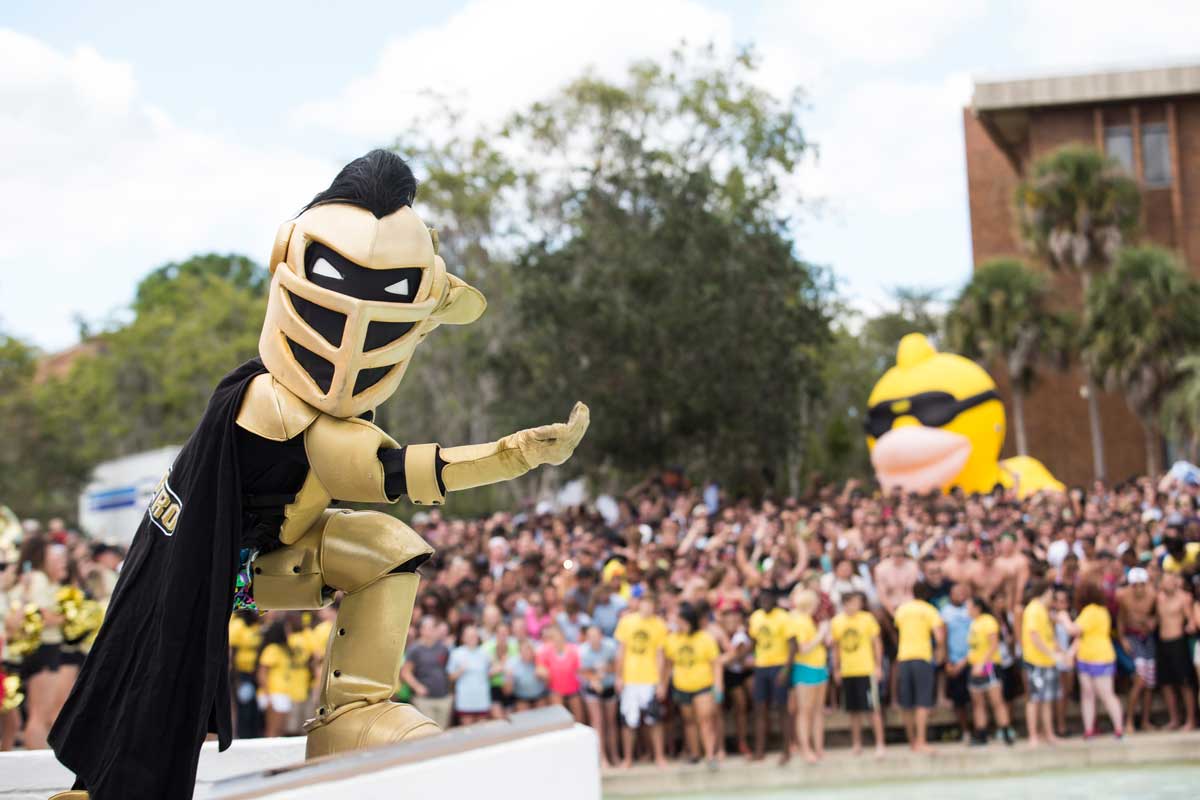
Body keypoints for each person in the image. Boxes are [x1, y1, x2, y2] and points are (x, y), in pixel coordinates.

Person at [48, 150, 590, 800]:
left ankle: (350, 713)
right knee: (388, 547)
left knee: (385, 548)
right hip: (237, 581)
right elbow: (392, 472)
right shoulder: (279, 411)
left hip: (242, 566)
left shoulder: (252, 389)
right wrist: (512, 456)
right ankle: (352, 712)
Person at [17, 538, 68, 750]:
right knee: (39, 712)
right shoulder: (38, 578)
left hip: (47, 647)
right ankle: (35, 762)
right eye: (50, 554)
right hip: (44, 647)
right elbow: (40, 615)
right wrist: (66, 618)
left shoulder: (42, 579)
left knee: (43, 712)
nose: (54, 558)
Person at [1059, 582, 1124, 739]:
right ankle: (1090, 729)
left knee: (1105, 694)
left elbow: (1073, 630)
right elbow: (1081, 636)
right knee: (1088, 694)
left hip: (1099, 657)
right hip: (1086, 656)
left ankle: (1118, 728)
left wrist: (1063, 618)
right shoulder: (1100, 611)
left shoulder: (1091, 611)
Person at [663, 603, 721, 768]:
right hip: (682, 685)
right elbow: (668, 664)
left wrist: (718, 686)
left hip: (702, 684)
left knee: (705, 720)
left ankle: (710, 755)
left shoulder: (705, 638)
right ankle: (695, 753)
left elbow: (715, 663)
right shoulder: (672, 639)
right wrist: (663, 685)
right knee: (688, 721)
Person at [614, 592, 668, 768]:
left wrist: (661, 682)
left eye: (651, 604)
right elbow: (621, 651)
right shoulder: (627, 622)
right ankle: (627, 758)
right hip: (630, 678)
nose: (648, 607)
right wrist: (619, 676)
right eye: (645, 603)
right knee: (628, 721)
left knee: (654, 719)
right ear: (639, 604)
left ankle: (659, 757)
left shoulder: (660, 625)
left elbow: (661, 656)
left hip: (650, 677)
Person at [830, 591, 885, 758]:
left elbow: (877, 643)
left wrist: (878, 666)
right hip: (848, 671)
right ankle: (856, 743)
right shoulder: (837, 622)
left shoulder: (867, 619)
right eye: (854, 602)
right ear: (846, 603)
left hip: (866, 669)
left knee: (873, 709)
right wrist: (836, 668)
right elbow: (836, 648)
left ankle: (880, 744)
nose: (857, 605)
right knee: (853, 711)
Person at [892, 582, 944, 754]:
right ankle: (922, 740)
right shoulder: (929, 610)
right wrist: (940, 652)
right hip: (922, 656)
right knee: (922, 701)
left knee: (907, 702)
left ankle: (912, 741)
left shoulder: (903, 609)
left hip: (904, 656)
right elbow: (939, 635)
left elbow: (898, 628)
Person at [748, 589, 793, 763]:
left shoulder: (783, 617)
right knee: (760, 709)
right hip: (761, 666)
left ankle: (786, 750)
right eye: (761, 599)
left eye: (767, 599)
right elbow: (754, 641)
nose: (764, 602)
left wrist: (785, 670)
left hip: (779, 666)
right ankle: (759, 751)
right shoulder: (756, 617)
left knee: (782, 709)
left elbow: (792, 645)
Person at [964, 596, 1014, 745]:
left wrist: (982, 664)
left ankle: (1005, 730)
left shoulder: (988, 621)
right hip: (975, 665)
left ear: (977, 607)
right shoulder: (974, 623)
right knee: (977, 701)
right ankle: (981, 732)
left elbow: (993, 645)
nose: (967, 610)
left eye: (969, 606)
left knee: (996, 700)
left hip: (988, 665)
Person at [787, 588, 829, 763]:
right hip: (805, 668)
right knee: (805, 711)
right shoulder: (798, 620)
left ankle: (819, 747)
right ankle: (805, 749)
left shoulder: (808, 619)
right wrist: (821, 633)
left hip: (819, 666)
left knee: (818, 711)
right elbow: (803, 648)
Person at [1115, 567, 1157, 732]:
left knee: (1149, 682)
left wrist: (1153, 621)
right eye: (1135, 585)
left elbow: (1156, 614)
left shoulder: (1153, 595)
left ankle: (1145, 720)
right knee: (1139, 680)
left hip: (1147, 638)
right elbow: (1120, 619)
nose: (1138, 588)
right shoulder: (1123, 597)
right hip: (1132, 637)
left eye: (1141, 584)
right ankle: (1130, 720)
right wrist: (1123, 638)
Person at [1020, 578, 1061, 747]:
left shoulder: (1042, 610)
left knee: (1047, 699)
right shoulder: (1034, 610)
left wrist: (1057, 652)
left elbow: (1047, 635)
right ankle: (1033, 735)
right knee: (1034, 699)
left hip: (1046, 661)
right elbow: (1034, 636)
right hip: (1035, 661)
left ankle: (1048, 733)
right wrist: (1052, 653)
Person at [1155, 571, 1197, 729]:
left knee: (1185, 683)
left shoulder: (1184, 598)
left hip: (1178, 643)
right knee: (1166, 683)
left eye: (1170, 581)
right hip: (1163, 643)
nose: (1168, 584)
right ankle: (1174, 719)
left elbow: (1191, 620)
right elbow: (1157, 619)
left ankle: (1190, 720)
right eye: (1165, 581)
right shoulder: (1159, 598)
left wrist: (1190, 626)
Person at [401, 616, 452, 731]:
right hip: (424, 700)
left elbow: (446, 670)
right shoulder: (415, 649)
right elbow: (405, 672)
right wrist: (417, 686)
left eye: (433, 627)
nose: (431, 630)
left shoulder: (443, 648)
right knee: (428, 731)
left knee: (442, 731)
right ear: (421, 630)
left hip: (443, 697)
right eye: (427, 628)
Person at [579, 625, 619, 767]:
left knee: (611, 723)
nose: (594, 639)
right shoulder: (583, 651)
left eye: (596, 636)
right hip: (593, 689)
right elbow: (583, 672)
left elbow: (616, 666)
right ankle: (602, 757)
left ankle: (614, 755)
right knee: (598, 722)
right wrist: (595, 679)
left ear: (601, 636)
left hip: (608, 686)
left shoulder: (610, 647)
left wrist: (605, 670)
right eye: (591, 637)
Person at [940, 582, 973, 738]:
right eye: (957, 593)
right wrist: (947, 661)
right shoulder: (945, 612)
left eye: (963, 592)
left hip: (979, 661)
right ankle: (966, 731)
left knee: (986, 692)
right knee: (959, 699)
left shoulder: (972, 608)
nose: (960, 595)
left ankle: (984, 729)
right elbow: (943, 638)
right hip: (955, 660)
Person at [448, 625, 494, 726]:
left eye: (474, 636)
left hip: (482, 697)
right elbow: (450, 677)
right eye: (469, 636)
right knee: (467, 730)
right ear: (463, 638)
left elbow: (490, 671)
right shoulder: (456, 653)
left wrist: (493, 672)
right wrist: (460, 671)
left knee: (482, 730)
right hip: (465, 699)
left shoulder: (485, 653)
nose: (472, 638)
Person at [228, 610, 264, 739]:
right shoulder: (238, 625)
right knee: (244, 705)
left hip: (253, 673)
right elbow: (233, 651)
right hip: (241, 674)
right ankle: (242, 735)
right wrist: (235, 676)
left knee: (253, 706)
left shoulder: (256, 625)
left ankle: (253, 734)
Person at [536, 624, 583, 722]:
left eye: (555, 636)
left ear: (562, 636)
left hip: (573, 690)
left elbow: (581, 668)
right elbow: (540, 668)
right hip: (556, 691)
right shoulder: (545, 651)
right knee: (559, 718)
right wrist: (542, 673)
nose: (554, 639)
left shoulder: (574, 649)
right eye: (551, 637)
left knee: (578, 717)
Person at [505, 639, 547, 711]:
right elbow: (507, 692)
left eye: (529, 650)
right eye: (524, 650)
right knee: (524, 715)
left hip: (540, 695)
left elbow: (549, 683)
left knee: (542, 712)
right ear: (520, 652)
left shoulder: (539, 660)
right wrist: (509, 678)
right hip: (521, 697)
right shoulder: (512, 663)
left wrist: (545, 676)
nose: (527, 653)